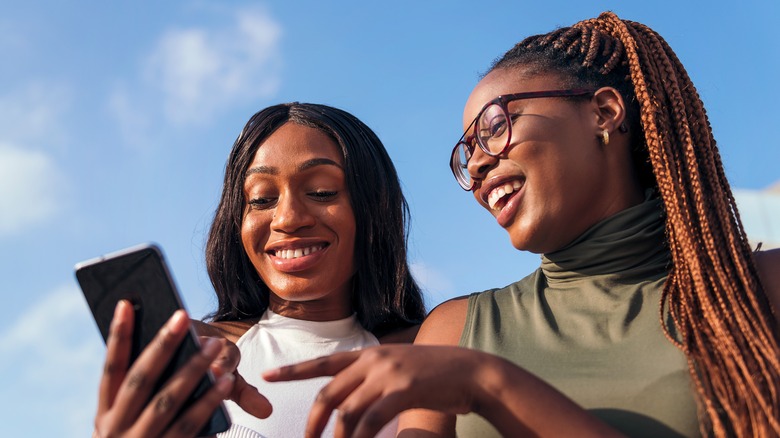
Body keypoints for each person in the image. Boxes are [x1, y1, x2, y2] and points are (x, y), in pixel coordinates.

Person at [265, 11, 780, 438]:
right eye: (466, 154)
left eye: (495, 128)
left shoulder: (760, 290)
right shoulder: (454, 330)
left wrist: (489, 386)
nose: (478, 165)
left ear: (603, 112)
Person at [91, 102, 427, 437]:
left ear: (375, 207)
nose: (288, 218)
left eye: (322, 191)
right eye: (262, 199)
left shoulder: (430, 352)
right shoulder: (201, 358)